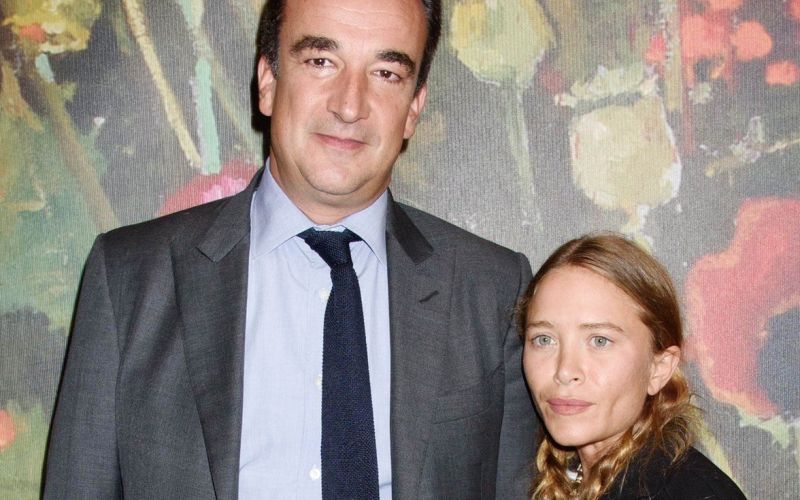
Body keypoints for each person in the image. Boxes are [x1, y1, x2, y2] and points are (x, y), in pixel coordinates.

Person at [43, 0, 538, 498]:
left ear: (413, 107)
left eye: (386, 73)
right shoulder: (128, 277)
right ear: (267, 82)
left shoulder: (492, 289)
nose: (350, 105)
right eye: (321, 61)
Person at [518, 233, 746, 499]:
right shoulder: (571, 476)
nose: (565, 371)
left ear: (659, 368)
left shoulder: (694, 492)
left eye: (600, 341)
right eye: (544, 339)